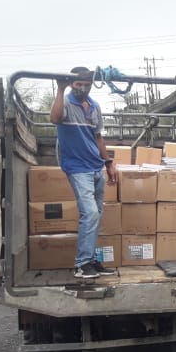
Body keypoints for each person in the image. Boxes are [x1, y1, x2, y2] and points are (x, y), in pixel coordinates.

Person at [50, 66, 118, 280]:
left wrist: (109, 163)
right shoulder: (65, 103)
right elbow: (55, 118)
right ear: (72, 84)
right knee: (90, 214)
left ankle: (90, 259)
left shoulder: (95, 106)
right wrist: (60, 90)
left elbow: (98, 137)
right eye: (78, 84)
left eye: (86, 84)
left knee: (96, 214)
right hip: (77, 168)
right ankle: (81, 264)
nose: (82, 88)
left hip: (96, 166)